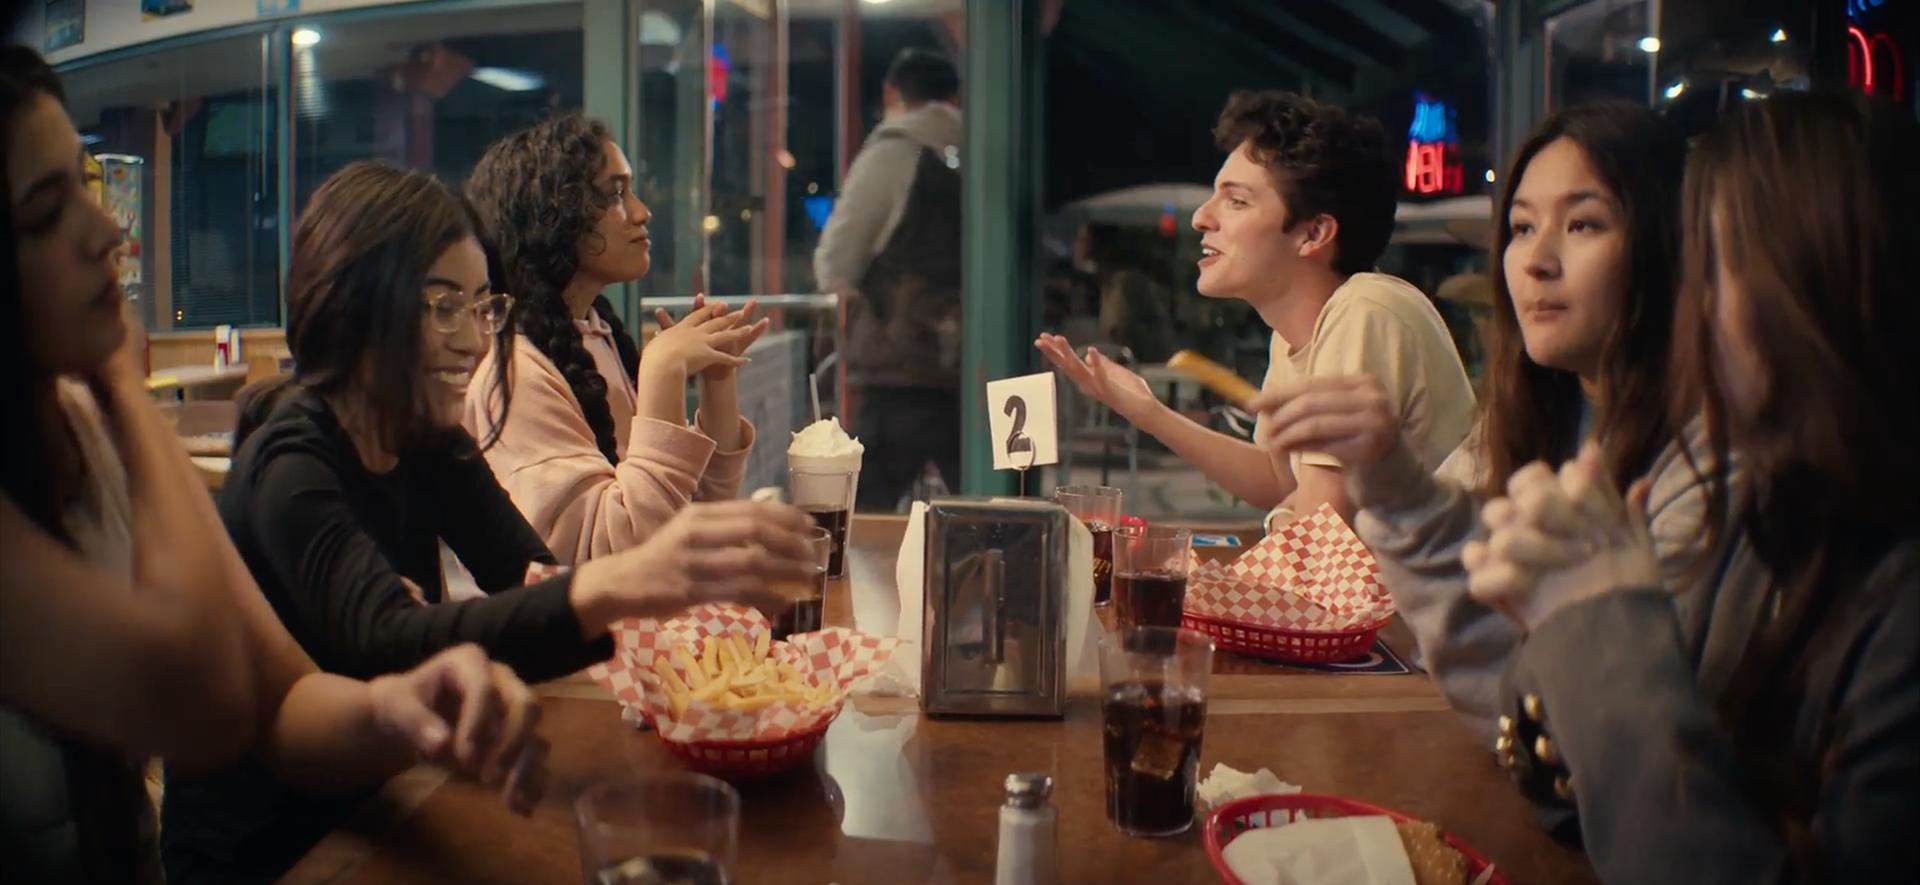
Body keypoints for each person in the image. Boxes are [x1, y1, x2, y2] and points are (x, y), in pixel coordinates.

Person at [160, 161, 820, 884]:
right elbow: (389, 642)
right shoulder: (290, 464)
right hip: (272, 851)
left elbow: (528, 578)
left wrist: (670, 593)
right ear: (355, 307)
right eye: (444, 307)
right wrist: (626, 581)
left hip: (393, 799)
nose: (474, 341)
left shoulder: (428, 440)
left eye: (483, 307)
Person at [0, 45, 544, 884]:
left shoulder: (80, 434)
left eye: (86, 184)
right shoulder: (283, 454)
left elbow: (282, 700)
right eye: (46, 212)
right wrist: (121, 379)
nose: (107, 228)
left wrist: (403, 709)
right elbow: (208, 696)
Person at [1462, 90, 1919, 883]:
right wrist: (1578, 627)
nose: (1687, 311)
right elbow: (1574, 792)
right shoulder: (1785, 516)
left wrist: (1599, 630)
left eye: (1712, 269)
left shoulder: (1889, 592)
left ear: (1817, 289)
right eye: (1521, 226)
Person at [1244, 101, 1702, 744]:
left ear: (1669, 244)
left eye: (1584, 224)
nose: (1537, 260)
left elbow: (1627, 735)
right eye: (1521, 227)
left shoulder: (1703, 465)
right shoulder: (1523, 416)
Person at [1037, 91, 1475, 526]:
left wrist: (1279, 520)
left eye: (1237, 201)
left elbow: (1320, 534)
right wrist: (1147, 413)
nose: (1201, 218)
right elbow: (1279, 477)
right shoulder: (1295, 333)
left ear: (1313, 233)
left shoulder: (1366, 311)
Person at [463, 113, 767, 565]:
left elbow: (696, 514)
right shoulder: (514, 374)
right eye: (615, 194)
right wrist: (662, 369)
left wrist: (717, 380)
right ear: (554, 215)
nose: (642, 212)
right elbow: (618, 558)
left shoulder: (597, 336)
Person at [814, 48, 963, 510]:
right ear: (954, 97)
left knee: (862, 515)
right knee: (990, 514)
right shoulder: (988, 151)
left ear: (890, 94)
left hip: (901, 366)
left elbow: (835, 262)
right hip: (974, 369)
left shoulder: (893, 151)